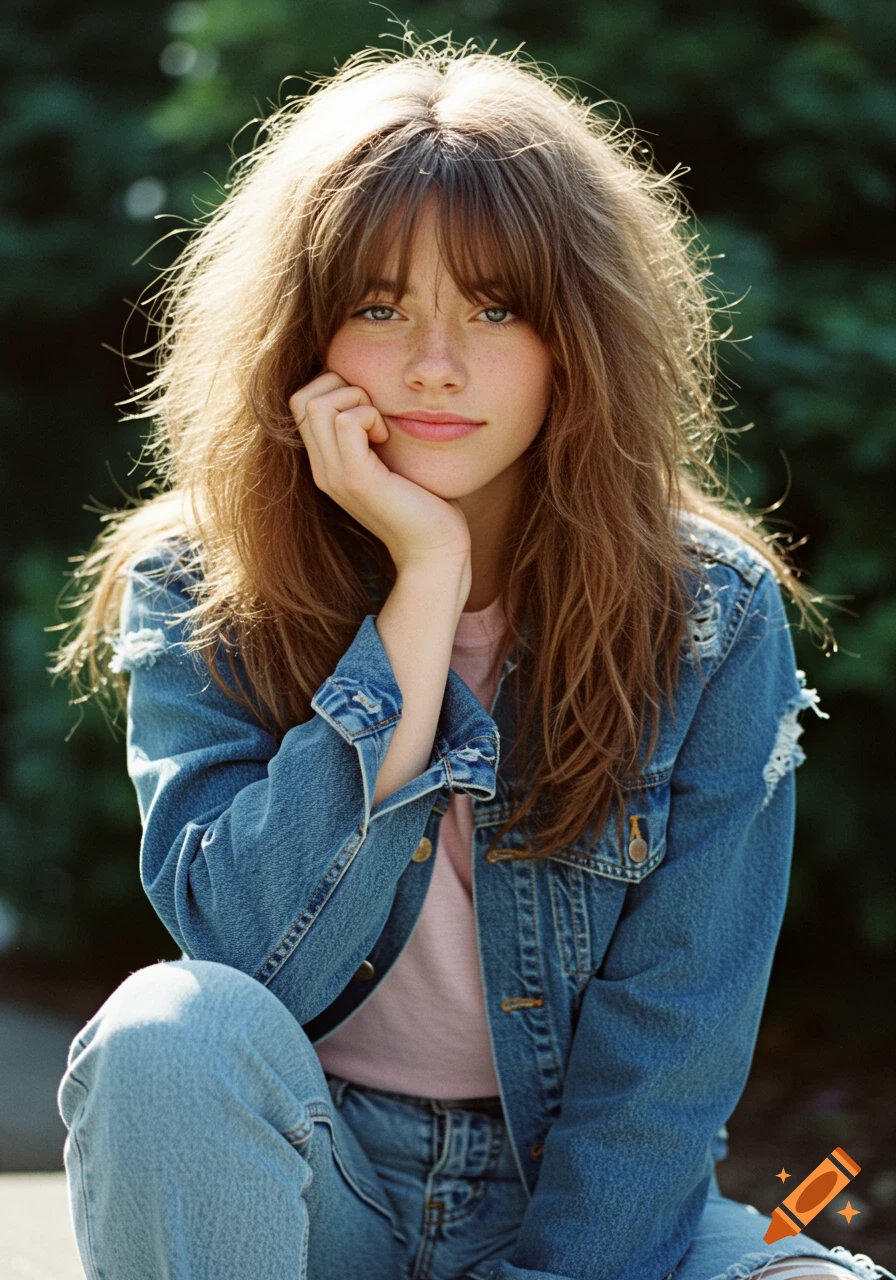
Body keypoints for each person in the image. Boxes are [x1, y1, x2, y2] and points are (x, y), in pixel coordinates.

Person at [50, 35, 893, 1280]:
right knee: (167, 1033)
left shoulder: (708, 613)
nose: (435, 363)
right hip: (308, 1175)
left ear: (577, 340)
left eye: (496, 308)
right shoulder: (203, 580)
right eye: (379, 306)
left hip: (582, 1190)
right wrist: (422, 584)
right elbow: (248, 942)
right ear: (304, 341)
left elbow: (669, 1050)